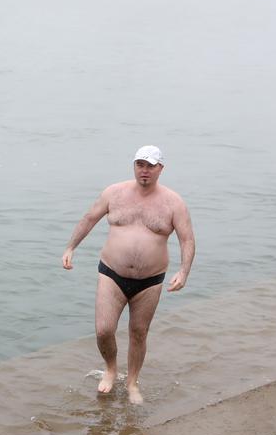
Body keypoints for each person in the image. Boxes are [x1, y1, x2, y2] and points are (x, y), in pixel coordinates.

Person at [61, 146, 195, 404]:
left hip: (150, 280)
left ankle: (132, 382)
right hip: (112, 273)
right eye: (140, 164)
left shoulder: (173, 202)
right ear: (134, 166)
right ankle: (111, 369)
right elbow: (89, 218)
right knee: (103, 330)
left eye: (150, 166)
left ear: (160, 169)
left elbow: (187, 239)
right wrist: (70, 247)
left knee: (138, 332)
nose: (144, 170)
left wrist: (183, 271)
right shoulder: (114, 193)